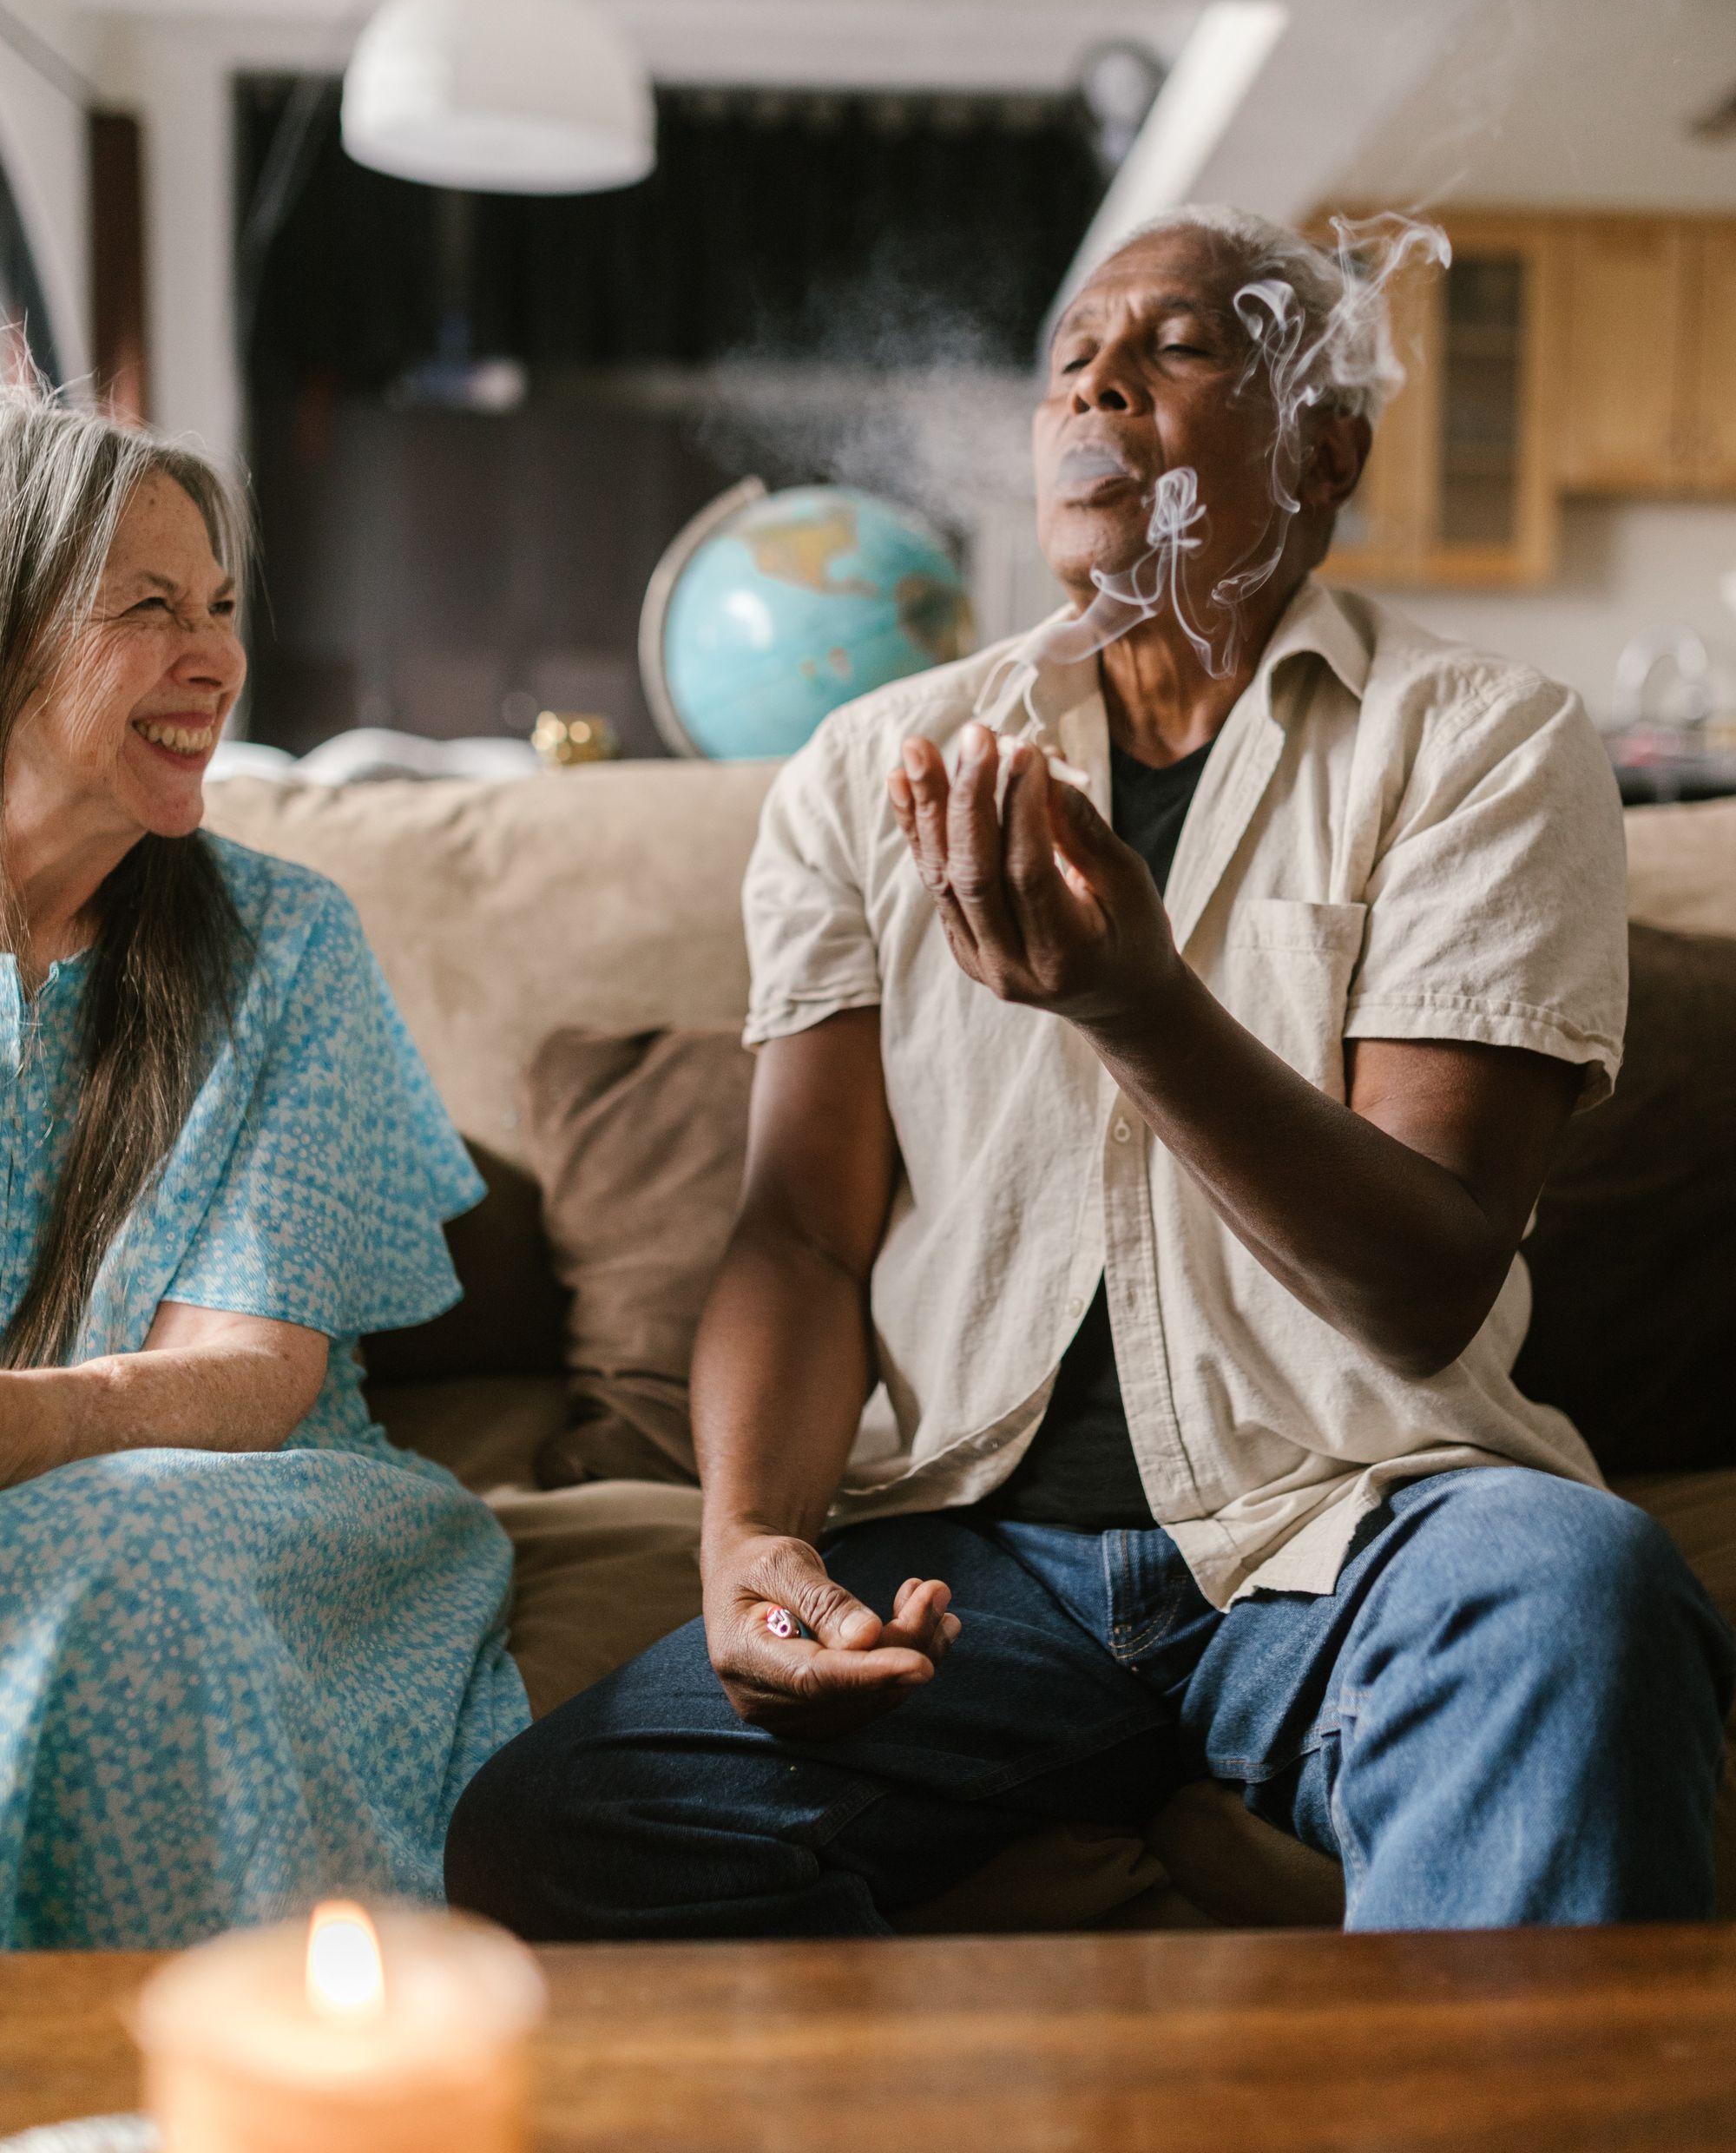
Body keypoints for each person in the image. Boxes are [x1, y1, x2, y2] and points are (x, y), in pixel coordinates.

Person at [447, 207, 1733, 1939]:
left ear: (1324, 444)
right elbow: (798, 1237)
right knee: (561, 1828)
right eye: (1068, 362)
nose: (1094, 387)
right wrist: (748, 1543)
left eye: (1178, 348)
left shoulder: (1483, 742)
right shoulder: (866, 770)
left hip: (1347, 1528)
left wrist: (1137, 1008)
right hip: (965, 1565)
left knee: (1580, 1591)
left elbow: (1426, 1281)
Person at [0, 388, 528, 1947]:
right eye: (150, 608)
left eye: (221, 609)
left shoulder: (286, 941)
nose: (214, 659)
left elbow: (252, 1378)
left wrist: (24, 1427)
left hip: (256, 1498)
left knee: (119, 1555)